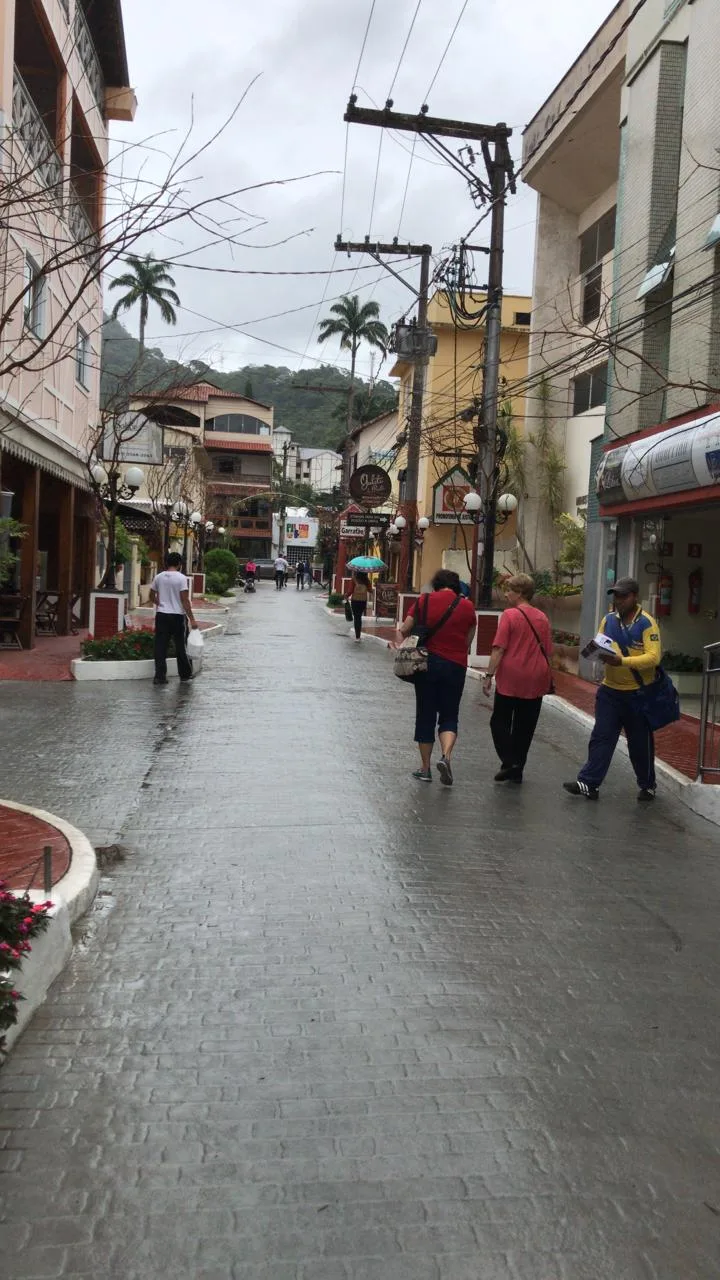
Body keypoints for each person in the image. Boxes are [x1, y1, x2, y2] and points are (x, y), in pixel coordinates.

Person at [564, 576, 661, 802]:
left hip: (637, 693)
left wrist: (622, 661)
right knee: (601, 737)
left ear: (634, 597)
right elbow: (601, 642)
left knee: (639, 743)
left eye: (623, 596)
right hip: (610, 691)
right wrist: (598, 654)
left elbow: (654, 657)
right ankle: (588, 783)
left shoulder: (647, 623)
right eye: (616, 595)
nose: (618, 600)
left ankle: (647, 784)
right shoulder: (608, 620)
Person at [395, 569, 477, 786]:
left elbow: (404, 629)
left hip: (427, 665)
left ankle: (425, 769)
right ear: (456, 585)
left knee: (425, 715)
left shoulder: (424, 600)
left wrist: (403, 638)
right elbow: (469, 638)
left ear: (436, 583)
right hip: (456, 667)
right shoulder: (467, 606)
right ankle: (446, 757)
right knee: (450, 715)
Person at [482, 573, 553, 783]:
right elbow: (548, 650)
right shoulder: (542, 617)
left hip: (512, 676)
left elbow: (498, 648)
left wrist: (488, 675)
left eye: (509, 590)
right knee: (525, 726)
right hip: (537, 676)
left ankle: (510, 760)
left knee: (500, 721)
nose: (506, 594)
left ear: (520, 593)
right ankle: (517, 768)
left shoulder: (510, 615)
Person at [149, 552, 198, 686]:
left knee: (160, 646)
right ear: (179, 564)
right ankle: (185, 675)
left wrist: (160, 604)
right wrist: (192, 619)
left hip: (162, 615)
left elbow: (151, 596)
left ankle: (159, 677)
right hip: (177, 616)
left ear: (166, 563)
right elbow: (185, 600)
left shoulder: (158, 577)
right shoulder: (181, 578)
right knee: (180, 646)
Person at [346, 570, 371, 641]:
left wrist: (346, 595)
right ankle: (358, 636)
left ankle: (357, 637)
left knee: (356, 618)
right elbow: (370, 590)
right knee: (359, 617)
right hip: (363, 601)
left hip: (355, 601)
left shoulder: (354, 579)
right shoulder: (367, 580)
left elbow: (350, 591)